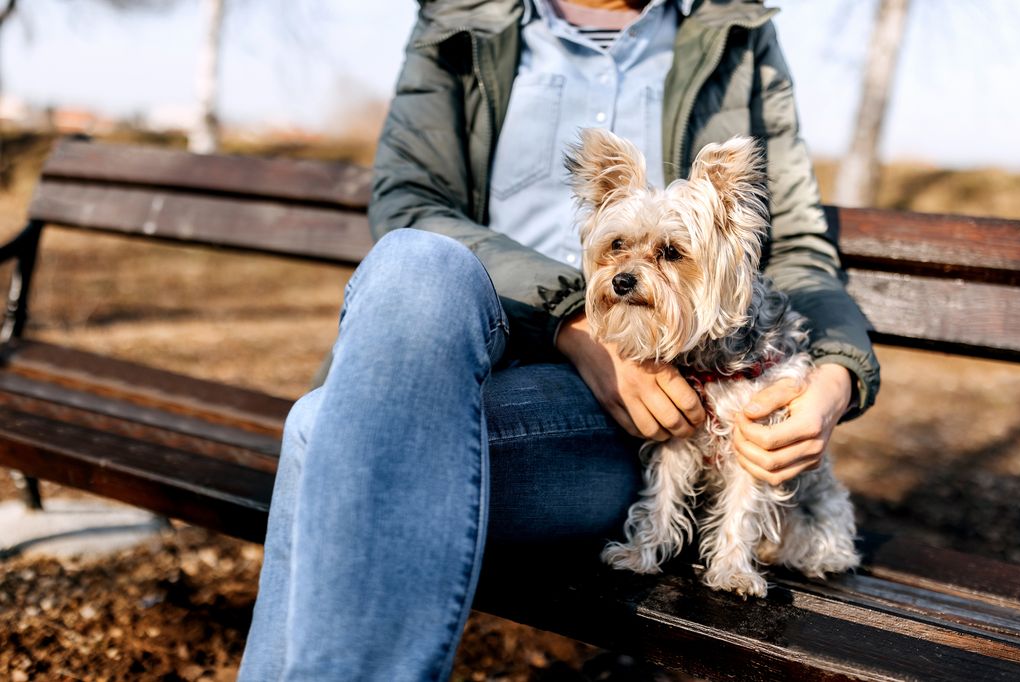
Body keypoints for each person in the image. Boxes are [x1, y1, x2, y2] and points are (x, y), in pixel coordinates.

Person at [238, 0, 880, 679]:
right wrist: (571, 319)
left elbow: (802, 251)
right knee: (415, 260)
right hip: (468, 339)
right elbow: (410, 205)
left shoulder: (735, 31)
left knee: (323, 428)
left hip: (641, 406)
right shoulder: (460, 18)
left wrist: (834, 380)